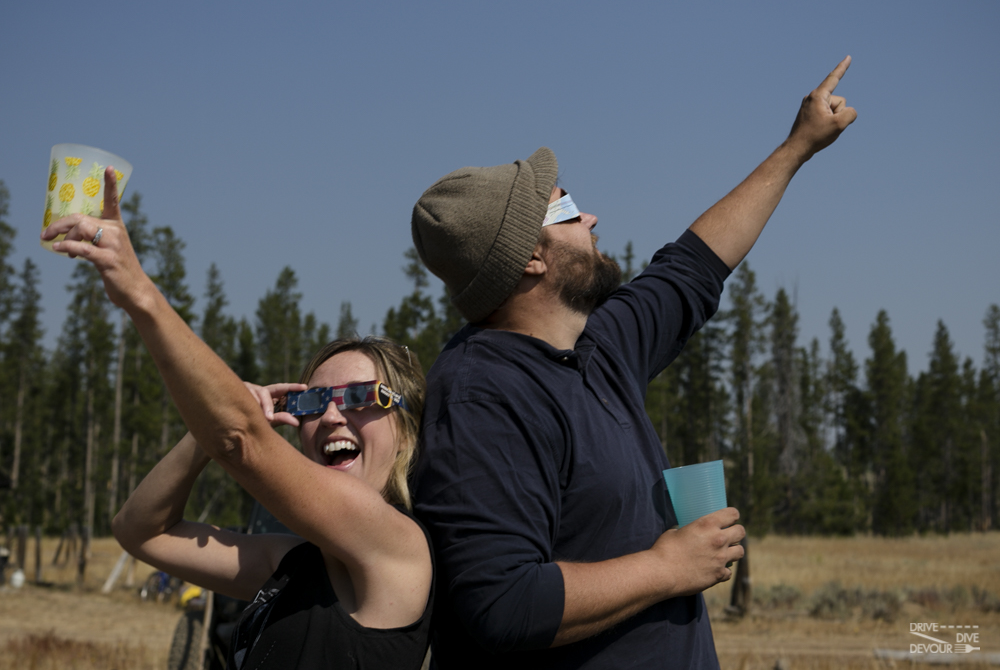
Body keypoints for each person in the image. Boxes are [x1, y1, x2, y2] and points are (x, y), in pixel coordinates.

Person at [409, 57, 857, 669]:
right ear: (531, 259)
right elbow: (503, 603)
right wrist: (667, 567)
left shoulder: (597, 346)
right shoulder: (481, 395)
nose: (590, 218)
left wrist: (798, 146)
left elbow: (695, 265)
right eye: (567, 210)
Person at [41, 184, 433, 670]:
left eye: (359, 397)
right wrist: (202, 438)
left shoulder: (399, 548)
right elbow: (140, 531)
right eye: (313, 402)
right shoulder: (291, 563)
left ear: (406, 428)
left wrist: (140, 294)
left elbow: (240, 440)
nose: (331, 416)